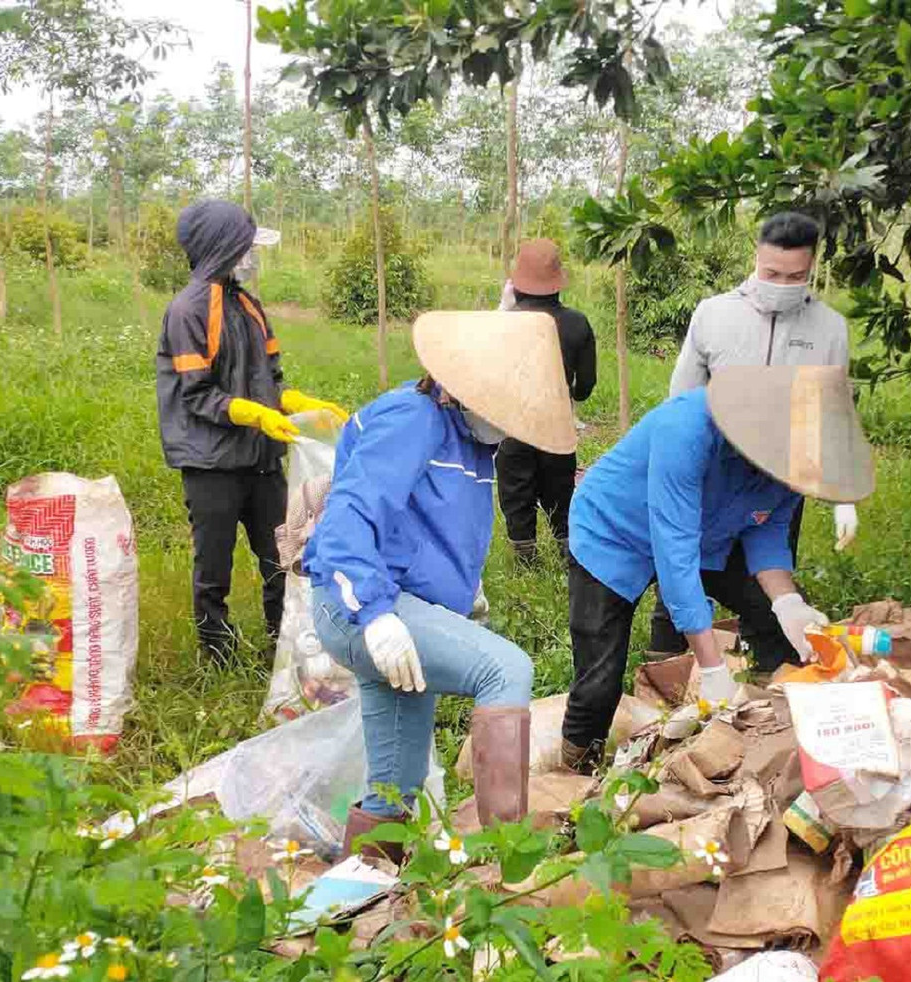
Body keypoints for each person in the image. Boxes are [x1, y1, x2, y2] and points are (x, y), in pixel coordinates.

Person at [303, 310, 578, 855]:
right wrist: (377, 615)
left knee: (394, 787)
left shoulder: (472, 443)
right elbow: (347, 519)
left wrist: (461, 591)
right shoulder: (413, 418)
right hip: (364, 606)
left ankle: (364, 900)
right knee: (507, 668)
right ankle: (505, 860)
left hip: (404, 609)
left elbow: (433, 523)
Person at [562, 364, 875, 772]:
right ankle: (577, 768)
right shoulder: (686, 429)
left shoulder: (797, 455)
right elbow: (676, 556)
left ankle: (773, 721)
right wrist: (712, 668)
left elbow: (768, 530)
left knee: (773, 619)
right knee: (601, 674)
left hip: (711, 533)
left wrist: (787, 603)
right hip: (615, 532)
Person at [648, 211, 858, 670]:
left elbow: (833, 409)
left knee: (772, 576)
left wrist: (842, 493)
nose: (781, 284)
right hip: (712, 474)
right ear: (756, 259)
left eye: (795, 277)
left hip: (780, 476)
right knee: (685, 564)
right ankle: (664, 665)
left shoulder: (829, 329)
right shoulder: (715, 315)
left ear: (813, 268)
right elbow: (679, 399)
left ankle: (770, 667)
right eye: (771, 274)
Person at [156, 200, 348, 663]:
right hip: (211, 464)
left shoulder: (248, 305)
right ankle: (216, 655)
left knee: (284, 554)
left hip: (261, 459)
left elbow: (270, 380)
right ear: (219, 247)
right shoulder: (188, 311)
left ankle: (283, 647)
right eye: (243, 247)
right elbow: (197, 394)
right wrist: (254, 414)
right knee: (213, 566)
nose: (250, 256)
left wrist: (298, 405)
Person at [495, 239, 597, 564]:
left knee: (516, 494)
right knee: (561, 494)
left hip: (514, 428)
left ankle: (526, 561)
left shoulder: (506, 325)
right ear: (557, 281)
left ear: (517, 283)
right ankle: (569, 558)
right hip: (558, 428)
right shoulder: (577, 323)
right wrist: (573, 395)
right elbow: (586, 386)